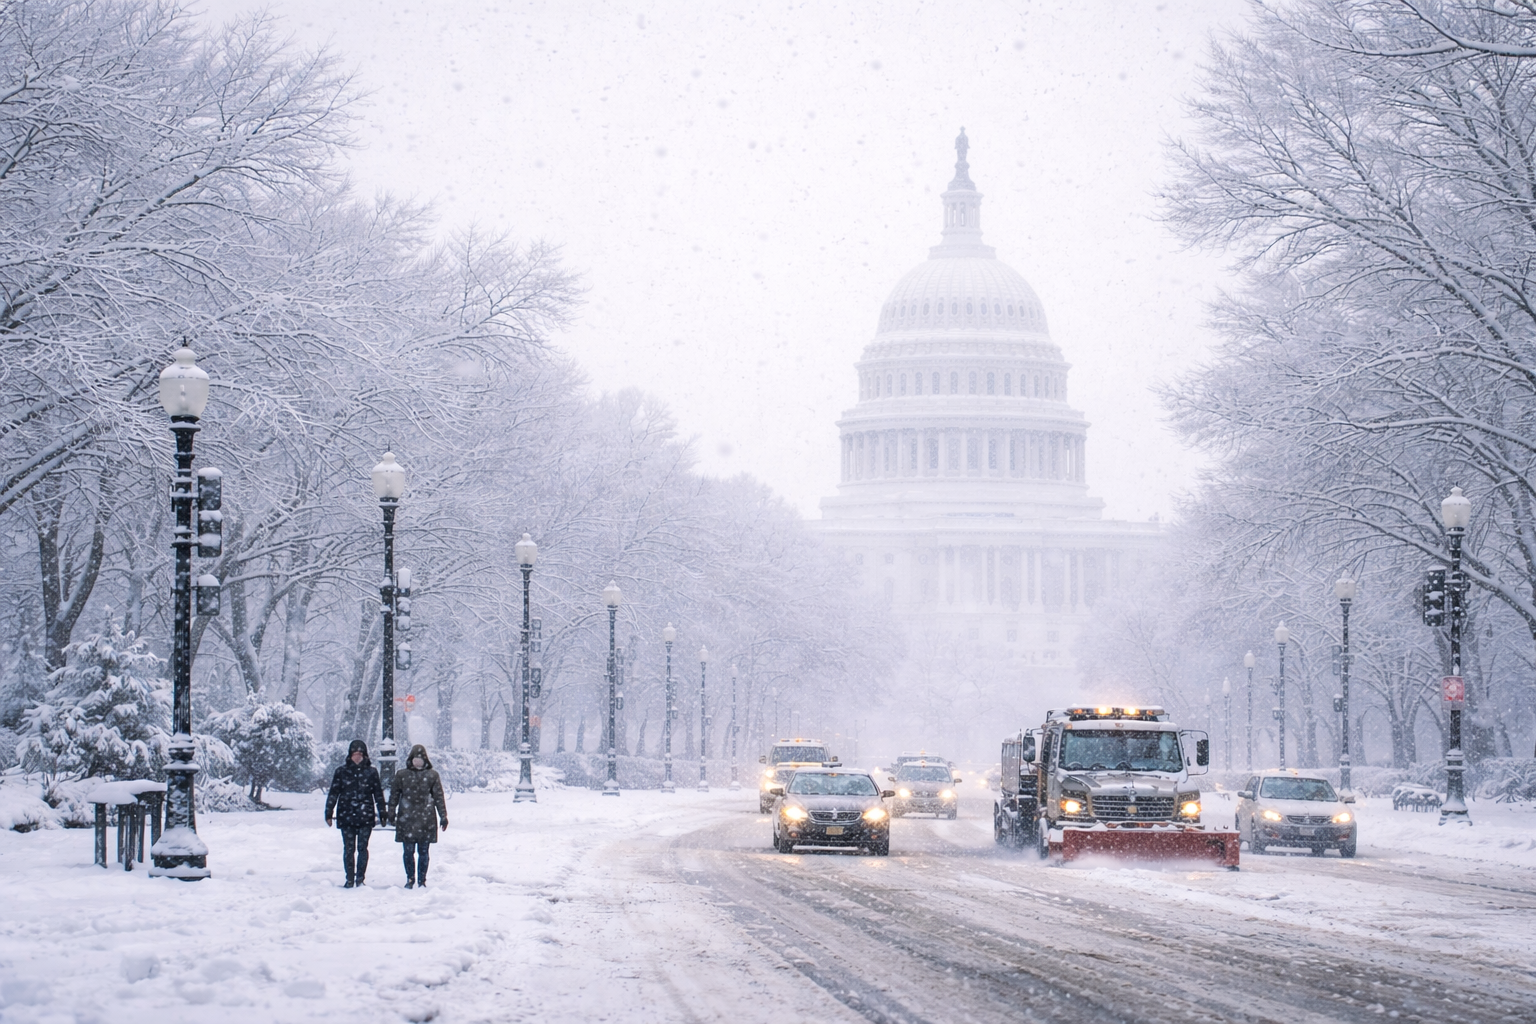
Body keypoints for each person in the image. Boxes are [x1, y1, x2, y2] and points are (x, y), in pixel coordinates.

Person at [324, 739, 388, 888]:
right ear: (350, 755)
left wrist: (382, 813)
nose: (358, 756)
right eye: (355, 753)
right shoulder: (341, 772)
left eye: (360, 754)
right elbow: (334, 792)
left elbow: (378, 794)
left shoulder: (371, 772)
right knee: (349, 848)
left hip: (365, 815)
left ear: (365, 755)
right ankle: (349, 878)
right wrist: (329, 812)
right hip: (346, 815)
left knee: (362, 848)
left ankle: (360, 878)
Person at [389, 743, 447, 889]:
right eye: (415, 758)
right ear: (411, 759)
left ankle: (422, 879)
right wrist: (391, 811)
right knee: (408, 852)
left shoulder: (432, 775)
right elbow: (394, 794)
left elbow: (439, 796)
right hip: (407, 818)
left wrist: (443, 816)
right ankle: (410, 878)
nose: (418, 761)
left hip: (426, 819)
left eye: (420, 758)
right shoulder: (402, 775)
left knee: (423, 851)